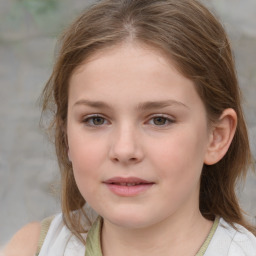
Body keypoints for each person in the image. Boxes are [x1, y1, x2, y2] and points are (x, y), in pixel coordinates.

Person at [3, 0, 256, 255]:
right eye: (96, 120)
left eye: (159, 120)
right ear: (66, 135)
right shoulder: (32, 248)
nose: (124, 150)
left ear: (216, 137)